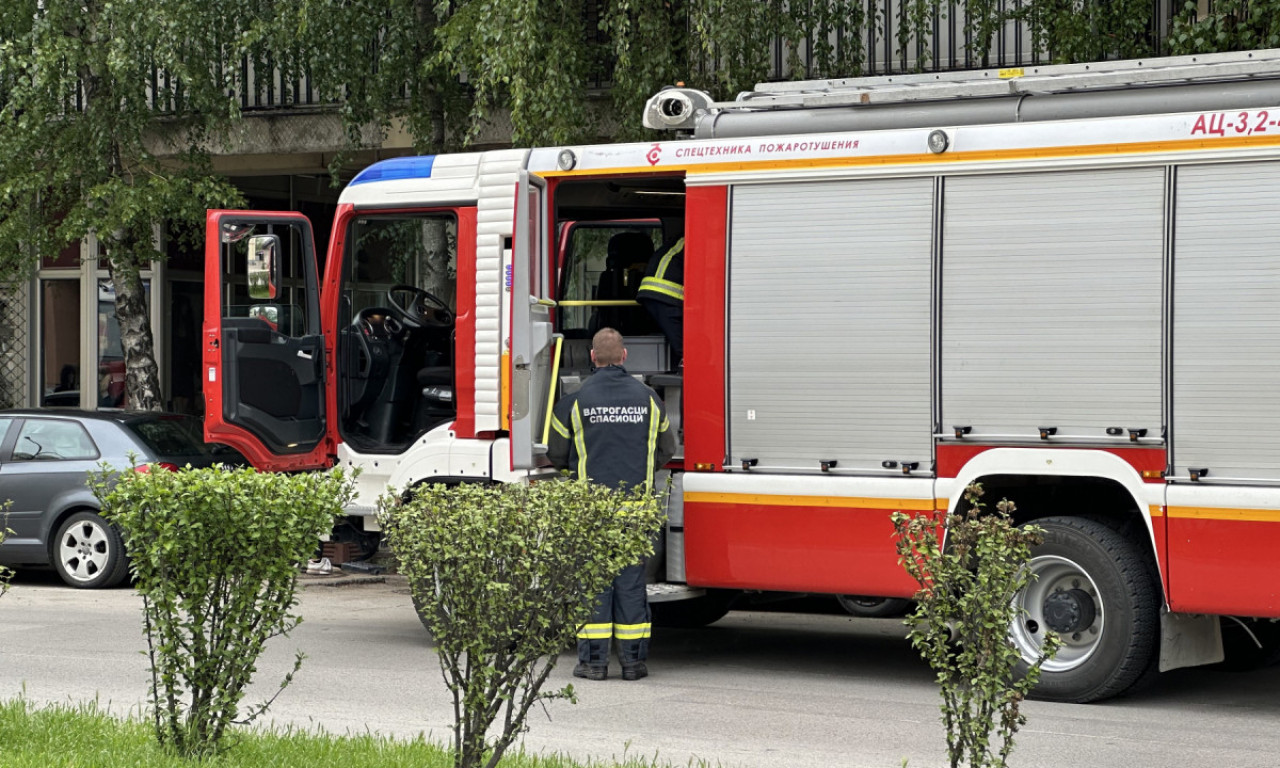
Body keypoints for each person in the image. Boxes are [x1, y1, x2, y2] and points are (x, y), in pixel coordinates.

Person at [548, 328, 677, 682]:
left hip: (592, 511)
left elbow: (556, 454)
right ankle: (633, 663)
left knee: (594, 584)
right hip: (635, 511)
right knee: (631, 584)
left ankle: (593, 663)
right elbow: (666, 448)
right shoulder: (650, 399)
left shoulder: (574, 402)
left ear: (593, 358)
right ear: (623, 357)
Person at [635, 237, 685, 370]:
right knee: (686, 350)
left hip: (656, 292)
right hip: (664, 293)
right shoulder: (694, 239)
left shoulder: (682, 241)